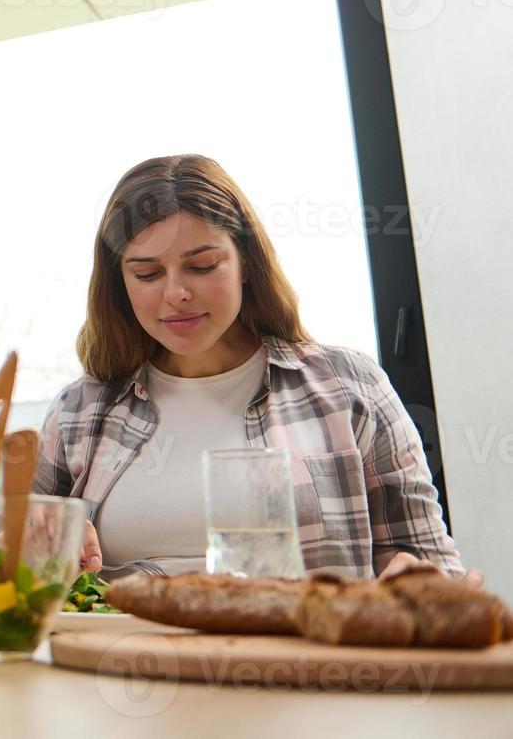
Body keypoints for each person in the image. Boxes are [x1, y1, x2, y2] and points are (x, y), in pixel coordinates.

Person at [34, 154, 477, 584]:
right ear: (119, 283)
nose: (176, 293)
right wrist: (42, 555)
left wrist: (425, 585)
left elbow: (431, 567)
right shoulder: (80, 411)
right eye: (147, 274)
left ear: (245, 261)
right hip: (117, 659)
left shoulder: (347, 386)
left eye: (202, 265)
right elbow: (7, 573)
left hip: (303, 658)